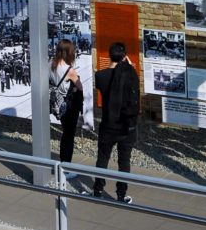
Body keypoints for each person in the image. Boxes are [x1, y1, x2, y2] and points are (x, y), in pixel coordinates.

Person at [92, 41, 140, 204]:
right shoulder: (131, 74)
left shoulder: (101, 76)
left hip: (108, 125)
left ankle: (97, 190)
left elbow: (107, 78)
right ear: (124, 57)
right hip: (127, 126)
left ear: (109, 56)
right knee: (124, 161)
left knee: (103, 158)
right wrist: (130, 67)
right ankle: (121, 194)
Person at [50, 38, 84, 164]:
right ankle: (65, 165)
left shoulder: (50, 64)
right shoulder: (69, 70)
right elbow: (80, 87)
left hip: (57, 104)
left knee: (66, 133)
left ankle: (63, 161)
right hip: (69, 106)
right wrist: (74, 89)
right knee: (69, 135)